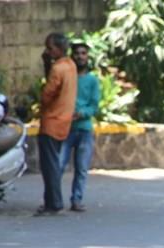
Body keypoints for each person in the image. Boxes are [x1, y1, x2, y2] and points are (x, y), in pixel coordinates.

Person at [36, 32, 77, 216]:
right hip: (64, 121)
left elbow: (47, 94)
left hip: (51, 121)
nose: (47, 51)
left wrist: (47, 66)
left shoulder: (58, 69)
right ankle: (51, 202)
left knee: (50, 166)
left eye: (50, 48)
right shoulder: (70, 65)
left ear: (59, 49)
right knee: (52, 163)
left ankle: (54, 203)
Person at [58, 42, 100, 212]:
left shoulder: (92, 80)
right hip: (65, 128)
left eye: (83, 53)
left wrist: (81, 113)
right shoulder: (66, 77)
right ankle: (54, 200)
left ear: (87, 57)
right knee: (58, 166)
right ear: (72, 56)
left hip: (84, 130)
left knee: (81, 168)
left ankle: (77, 200)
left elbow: (94, 106)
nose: (80, 56)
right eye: (77, 53)